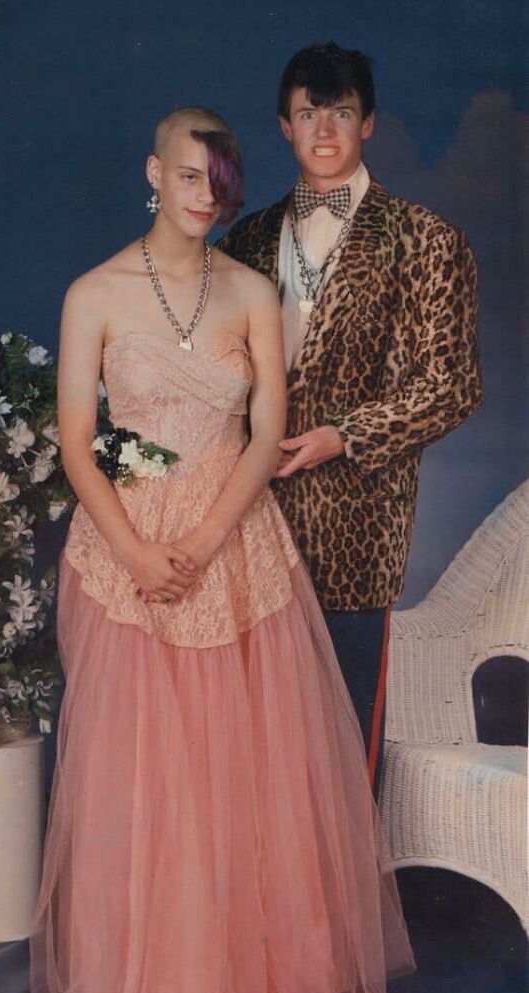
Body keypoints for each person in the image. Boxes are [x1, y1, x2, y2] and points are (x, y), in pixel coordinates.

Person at [29, 106, 414, 993]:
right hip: (125, 550)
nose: (207, 196)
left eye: (221, 181)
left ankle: (249, 968)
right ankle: (149, 971)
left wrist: (201, 536)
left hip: (236, 542)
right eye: (190, 176)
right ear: (152, 173)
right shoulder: (94, 294)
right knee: (138, 771)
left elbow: (258, 436)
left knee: (240, 769)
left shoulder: (251, 293)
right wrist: (135, 541)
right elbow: (79, 441)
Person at [217, 43, 482, 798]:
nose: (324, 130)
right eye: (309, 113)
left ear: (367, 122)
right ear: (284, 125)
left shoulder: (428, 240)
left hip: (356, 530)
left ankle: (342, 917)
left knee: (338, 754)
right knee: (249, 739)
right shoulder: (240, 242)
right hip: (249, 523)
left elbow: (453, 383)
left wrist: (347, 435)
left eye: (340, 113)